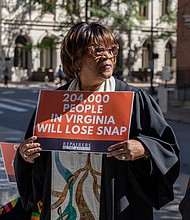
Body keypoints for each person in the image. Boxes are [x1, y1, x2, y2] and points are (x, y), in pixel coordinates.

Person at [13, 22, 180, 220]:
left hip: (117, 210)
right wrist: (26, 156)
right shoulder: (54, 104)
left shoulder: (133, 99)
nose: (108, 56)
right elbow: (36, 166)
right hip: (62, 209)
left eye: (112, 49)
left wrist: (143, 150)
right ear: (76, 58)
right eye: (98, 50)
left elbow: (168, 150)